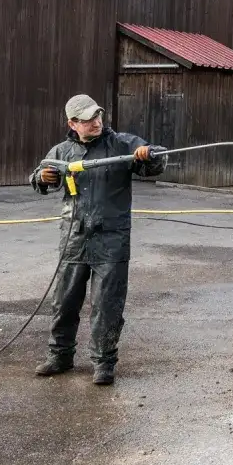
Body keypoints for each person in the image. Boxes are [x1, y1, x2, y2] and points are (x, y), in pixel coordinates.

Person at [29, 93, 166, 385]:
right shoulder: (62, 151)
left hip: (111, 239)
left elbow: (156, 159)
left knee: (107, 303)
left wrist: (149, 155)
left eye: (98, 116)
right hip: (74, 238)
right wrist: (42, 178)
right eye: (88, 118)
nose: (96, 122)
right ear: (72, 123)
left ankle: (104, 363)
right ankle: (60, 356)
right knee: (64, 301)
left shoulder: (122, 144)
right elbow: (38, 175)